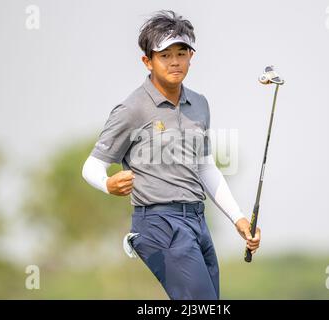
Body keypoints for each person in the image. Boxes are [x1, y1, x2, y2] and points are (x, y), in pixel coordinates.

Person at [82, 10, 260, 300]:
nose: (175, 61)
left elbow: (205, 167)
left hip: (196, 220)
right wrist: (108, 184)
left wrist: (238, 218)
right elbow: (91, 166)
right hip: (156, 222)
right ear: (147, 61)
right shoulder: (132, 109)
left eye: (182, 52)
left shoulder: (199, 104)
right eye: (164, 55)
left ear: (191, 56)